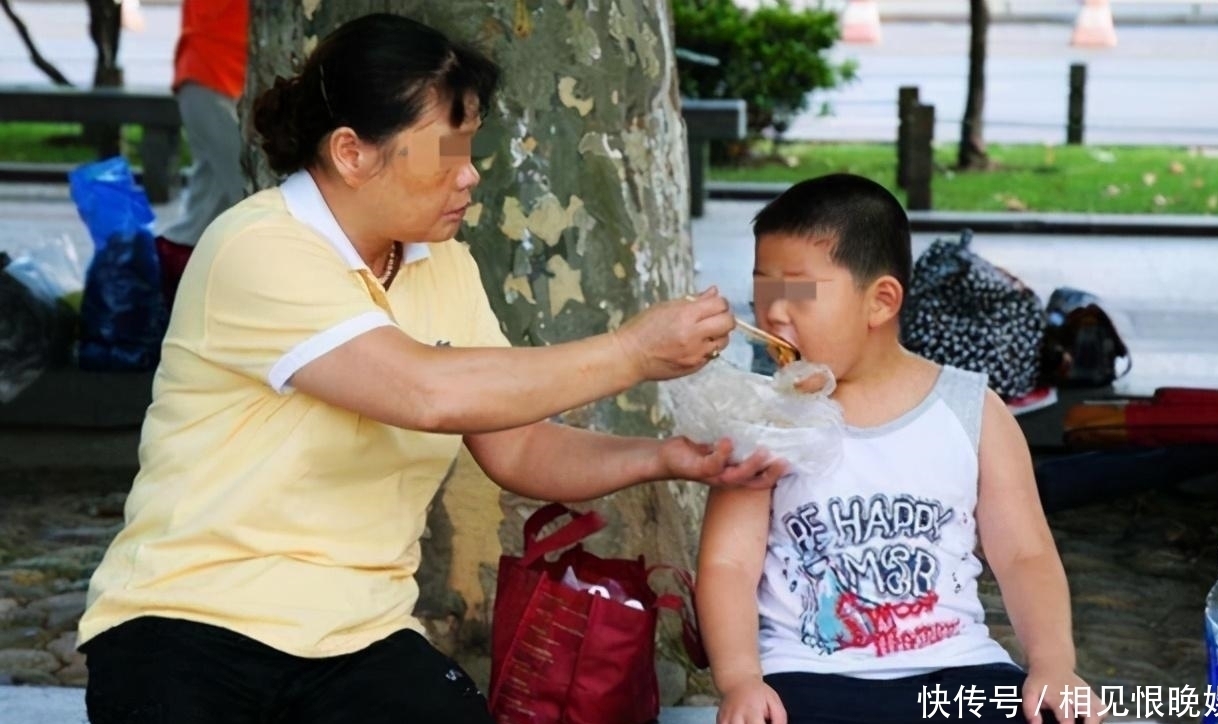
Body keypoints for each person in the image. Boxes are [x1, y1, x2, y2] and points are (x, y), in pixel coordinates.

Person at [75, 13, 786, 724]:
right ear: (352, 153)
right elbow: (427, 392)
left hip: (361, 638)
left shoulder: (444, 264)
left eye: (471, 148)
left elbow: (520, 444)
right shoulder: (257, 246)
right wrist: (633, 353)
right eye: (446, 151)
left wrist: (668, 457)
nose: (470, 174)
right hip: (188, 626)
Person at [695, 173, 1105, 724]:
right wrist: (740, 678)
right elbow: (727, 564)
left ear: (881, 300)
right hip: (807, 678)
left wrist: (1053, 663)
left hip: (957, 672)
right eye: (763, 293)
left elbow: (1024, 553)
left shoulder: (971, 409)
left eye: (796, 293)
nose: (773, 315)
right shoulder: (767, 420)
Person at [153, 0, 249, 309]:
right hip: (213, 73)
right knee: (247, 191)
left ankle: (171, 284)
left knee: (214, 196)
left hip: (218, 72)